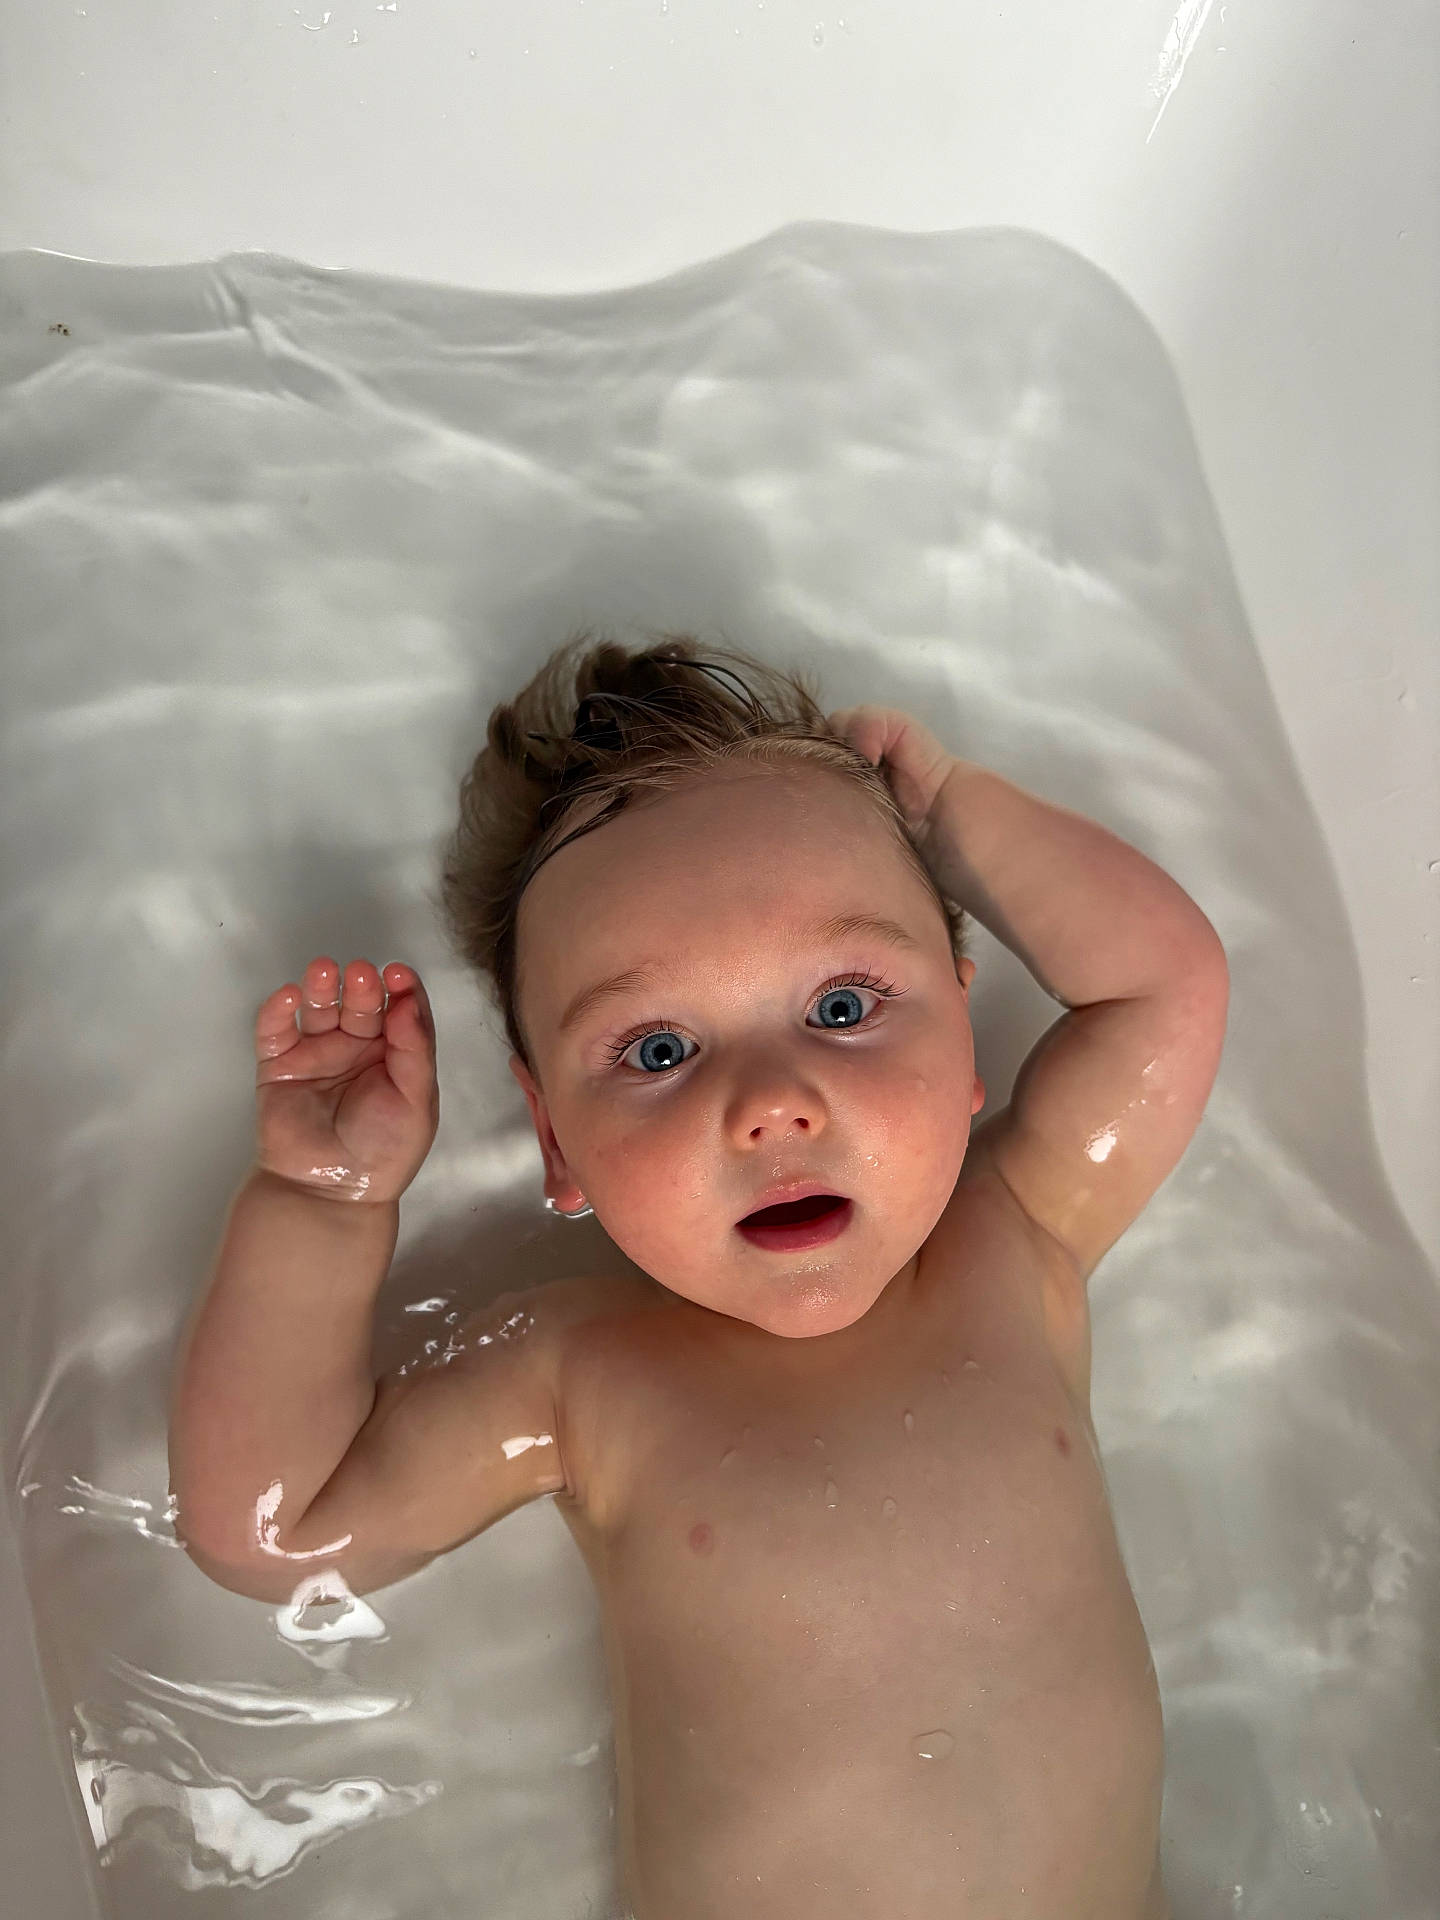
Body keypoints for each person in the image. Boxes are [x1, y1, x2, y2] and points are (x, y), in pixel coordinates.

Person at [169, 633, 1230, 1918]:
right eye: (660, 1048)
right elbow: (274, 1530)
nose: (773, 1105)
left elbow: (1161, 990)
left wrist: (953, 818)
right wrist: (323, 1201)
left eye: (843, 1006)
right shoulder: (582, 1375)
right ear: (556, 1139)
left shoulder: (1017, 1235)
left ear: (964, 1038)